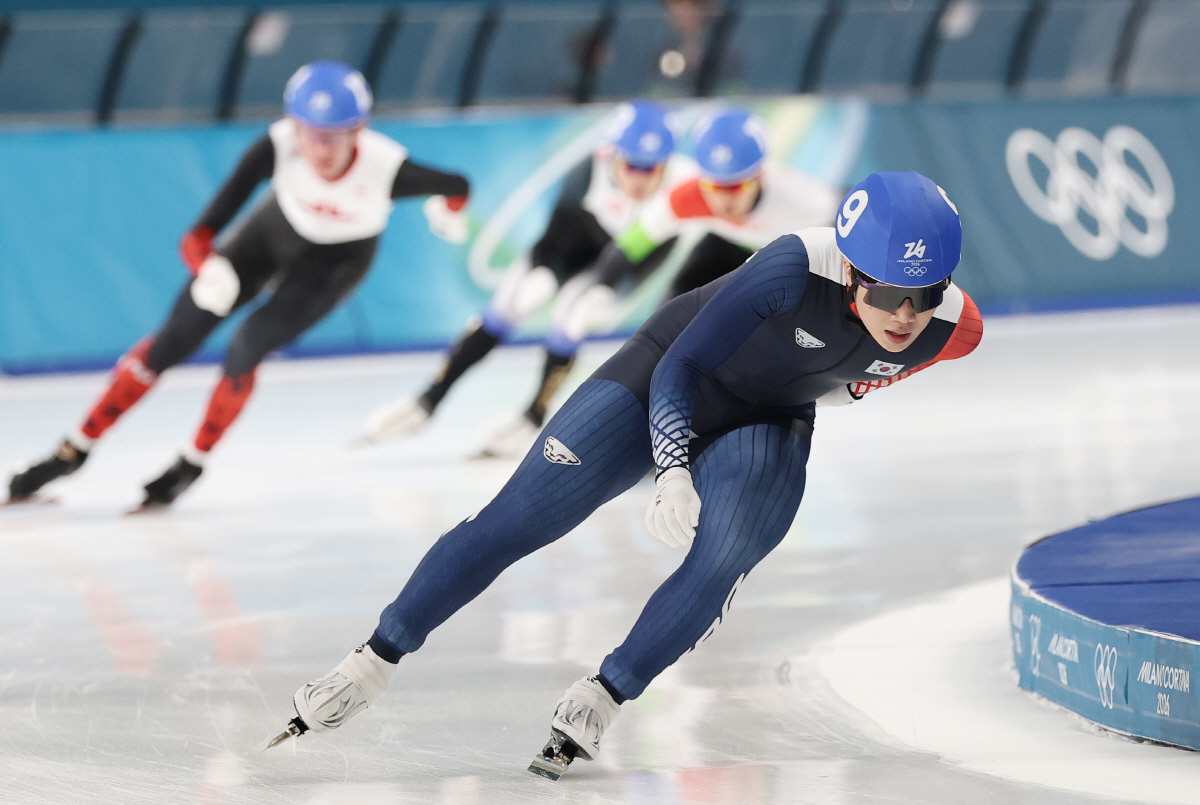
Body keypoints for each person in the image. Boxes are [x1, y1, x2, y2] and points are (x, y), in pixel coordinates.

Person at [266, 171, 983, 779]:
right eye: (891, 294)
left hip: (770, 416)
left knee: (725, 558)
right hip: (661, 376)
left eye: (929, 293)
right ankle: (369, 663)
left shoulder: (958, 330)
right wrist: (670, 467)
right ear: (854, 271)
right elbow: (683, 366)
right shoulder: (790, 267)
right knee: (516, 520)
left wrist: (851, 387)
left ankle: (603, 696)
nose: (908, 315)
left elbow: (878, 363)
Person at [6, 61, 471, 510]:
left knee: (248, 345)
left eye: (334, 137)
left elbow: (458, 183)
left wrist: (449, 214)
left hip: (335, 264)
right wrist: (207, 267)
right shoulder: (276, 146)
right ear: (293, 126)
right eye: (311, 134)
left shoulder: (388, 168)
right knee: (172, 340)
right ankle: (73, 449)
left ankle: (192, 463)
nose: (321, 149)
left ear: (360, 130)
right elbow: (199, 233)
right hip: (269, 236)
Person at [467, 108, 840, 458]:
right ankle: (641, 427)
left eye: (736, 188)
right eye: (715, 187)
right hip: (725, 248)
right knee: (669, 328)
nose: (724, 201)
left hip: (793, 252)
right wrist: (602, 286)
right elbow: (630, 245)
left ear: (759, 176)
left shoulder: (805, 202)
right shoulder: (689, 197)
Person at [361, 99, 686, 447]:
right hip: (572, 243)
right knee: (512, 305)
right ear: (612, 155)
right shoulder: (588, 170)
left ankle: (533, 416)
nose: (640, 177)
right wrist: (545, 270)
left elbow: (656, 257)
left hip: (623, 264)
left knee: (571, 320)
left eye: (652, 169)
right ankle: (428, 399)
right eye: (632, 166)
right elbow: (558, 231)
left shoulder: (682, 186)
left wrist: (608, 288)